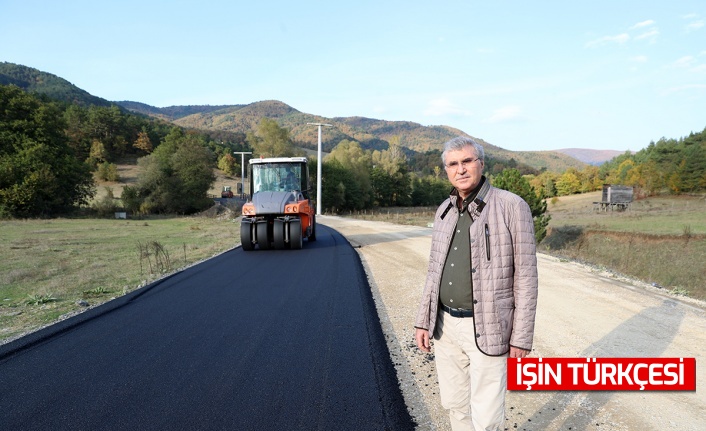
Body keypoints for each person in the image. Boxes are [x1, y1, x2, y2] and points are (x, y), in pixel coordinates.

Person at [414, 136, 538, 431]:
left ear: (481, 164)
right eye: (453, 164)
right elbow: (433, 271)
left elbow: (526, 277)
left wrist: (521, 337)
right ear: (446, 169)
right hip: (445, 327)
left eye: (467, 161)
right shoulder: (444, 210)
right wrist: (423, 320)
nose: (461, 169)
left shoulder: (511, 206)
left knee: (486, 414)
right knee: (455, 406)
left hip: (489, 325)